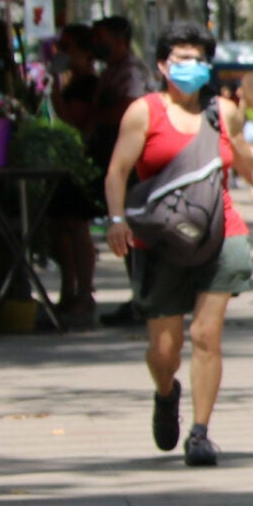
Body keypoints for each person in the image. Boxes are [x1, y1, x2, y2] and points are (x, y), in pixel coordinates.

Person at [103, 21, 253, 467]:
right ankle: (166, 391)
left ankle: (200, 432)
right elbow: (118, 171)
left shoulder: (223, 112)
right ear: (162, 65)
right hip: (157, 240)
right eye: (181, 58)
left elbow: (251, 168)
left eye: (199, 58)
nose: (191, 67)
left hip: (222, 233)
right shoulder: (144, 112)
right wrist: (116, 220)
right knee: (164, 349)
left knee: (205, 334)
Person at [90, 17, 156, 328]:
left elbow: (130, 107)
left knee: (137, 229)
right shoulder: (112, 71)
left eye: (100, 37)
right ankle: (141, 296)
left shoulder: (131, 71)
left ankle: (146, 298)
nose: (96, 44)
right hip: (120, 159)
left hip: (136, 164)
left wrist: (98, 116)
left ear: (118, 39)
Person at [47, 24, 104, 323]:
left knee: (76, 226)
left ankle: (84, 292)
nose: (62, 53)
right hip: (66, 163)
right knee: (61, 227)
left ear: (85, 52)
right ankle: (69, 290)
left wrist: (54, 92)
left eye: (68, 47)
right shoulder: (73, 84)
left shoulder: (87, 86)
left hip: (82, 164)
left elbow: (75, 125)